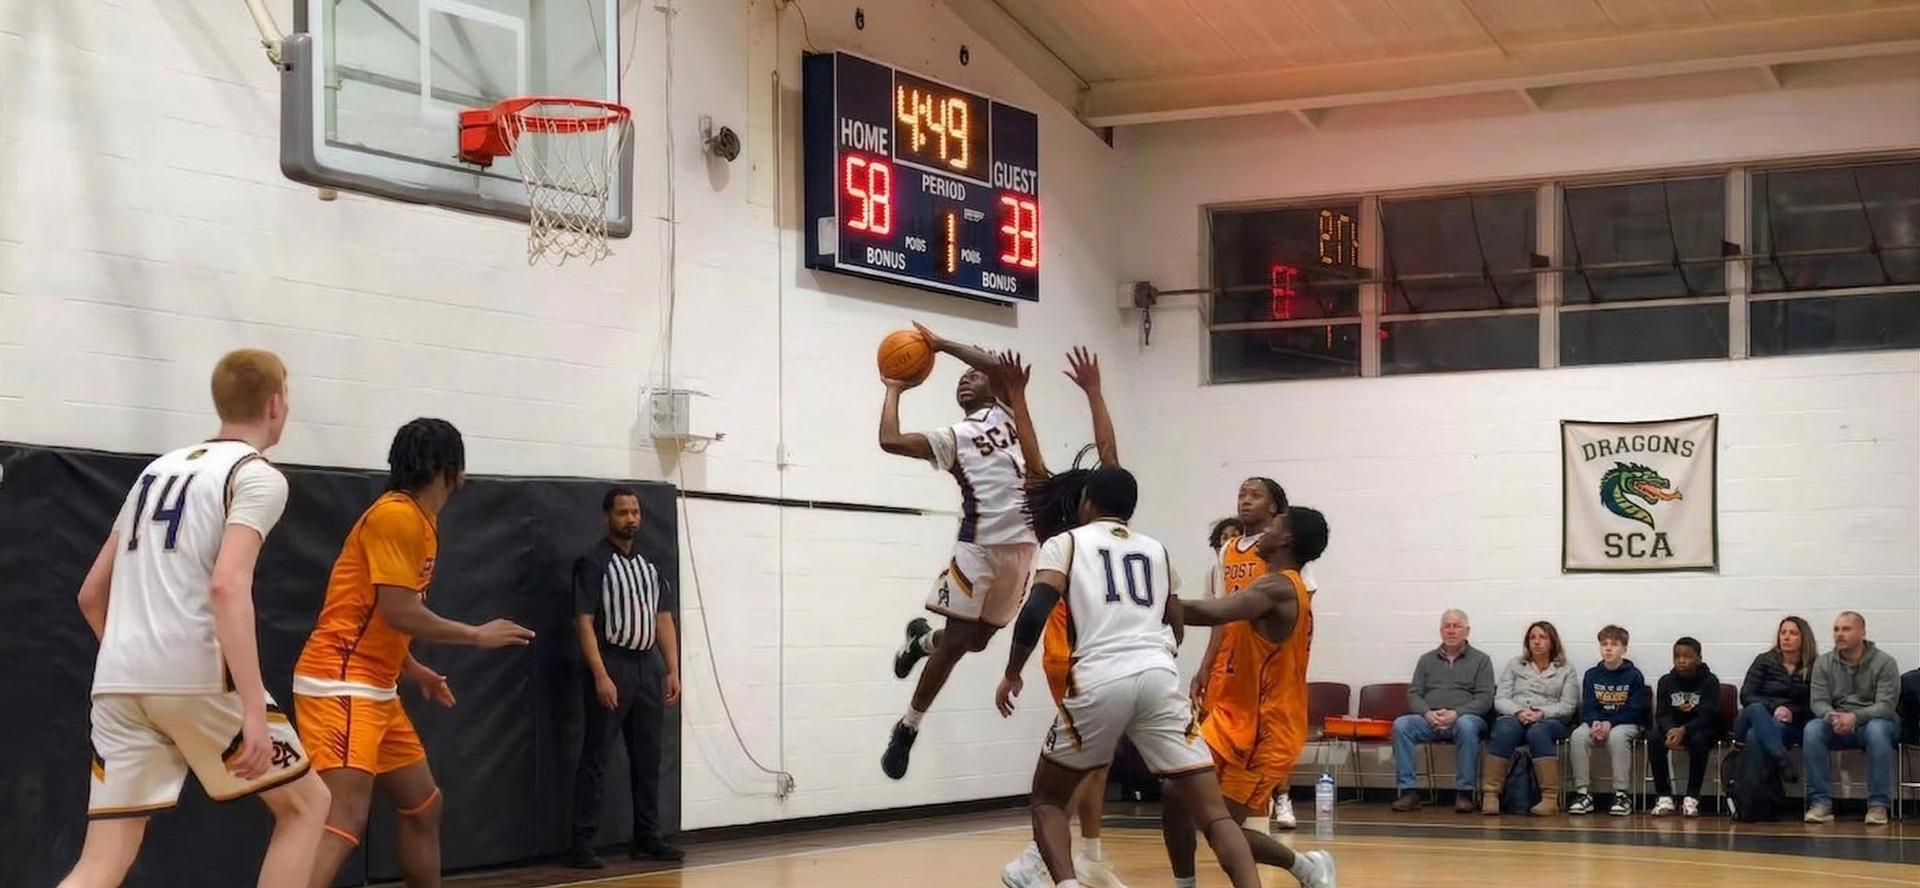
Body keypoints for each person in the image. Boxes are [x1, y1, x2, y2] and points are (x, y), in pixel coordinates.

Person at [55, 349, 332, 888]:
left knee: (101, 861)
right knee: (305, 807)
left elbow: (91, 593)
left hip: (116, 680)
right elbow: (228, 584)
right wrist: (254, 708)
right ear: (276, 404)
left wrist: (131, 661)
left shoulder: (153, 471)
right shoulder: (256, 476)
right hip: (196, 673)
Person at [993, 468, 1277, 888]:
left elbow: (1036, 610)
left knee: (1049, 801)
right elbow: (1175, 620)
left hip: (1100, 675)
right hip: (1159, 676)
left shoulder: (1066, 543)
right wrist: (1160, 657)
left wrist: (1012, 672)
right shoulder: (1157, 550)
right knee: (1214, 814)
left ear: (1087, 502)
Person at [294, 418, 536, 888]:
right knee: (342, 820)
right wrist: (475, 635)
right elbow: (399, 611)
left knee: (423, 804)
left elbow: (372, 611)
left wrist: (413, 668)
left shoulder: (419, 520)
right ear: (454, 470)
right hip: (340, 683)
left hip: (375, 685)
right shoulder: (397, 517)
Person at [980, 348, 1130, 888]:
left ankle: (1086, 853)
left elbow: (1042, 457)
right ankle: (1046, 857)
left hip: (1083, 649)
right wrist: (1092, 391)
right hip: (1076, 648)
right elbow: (1107, 458)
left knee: (1095, 757)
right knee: (1087, 757)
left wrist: (1021, 395)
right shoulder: (1072, 537)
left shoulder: (1061, 530)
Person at [880, 323, 1035, 780]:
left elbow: (1000, 366)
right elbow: (889, 440)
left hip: (1024, 548)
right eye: (959, 379)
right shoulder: (952, 437)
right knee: (956, 645)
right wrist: (894, 390)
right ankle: (908, 727)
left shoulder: (1010, 411)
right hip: (978, 548)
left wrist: (941, 345)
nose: (965, 378)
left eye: (973, 374)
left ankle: (920, 641)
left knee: (976, 642)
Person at [1162, 508, 1337, 888]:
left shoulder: (1280, 588)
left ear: (1285, 539)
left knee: (1221, 825)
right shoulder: (1267, 581)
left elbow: (1212, 611)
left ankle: (1306, 867)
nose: (1261, 534)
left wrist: (1151, 600)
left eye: (1272, 527)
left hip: (1266, 729)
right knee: (1174, 791)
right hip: (1231, 716)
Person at [565, 488, 683, 868]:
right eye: (623, 512)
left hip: (647, 665)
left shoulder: (651, 563)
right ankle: (582, 843)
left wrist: (673, 668)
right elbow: (582, 622)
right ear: (607, 517)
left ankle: (647, 837)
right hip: (612, 662)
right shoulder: (592, 562)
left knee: (649, 757)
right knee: (597, 757)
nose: (630, 518)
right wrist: (600, 674)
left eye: (635, 512)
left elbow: (663, 617)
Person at [1194, 478, 1312, 830]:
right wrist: (1205, 665)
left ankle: (1280, 800)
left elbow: (1293, 620)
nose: (1245, 501)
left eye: (1254, 495)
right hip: (1227, 672)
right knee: (1185, 788)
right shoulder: (1228, 552)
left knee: (1228, 816)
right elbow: (1219, 613)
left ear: (1276, 512)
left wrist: (1154, 601)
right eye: (1241, 493)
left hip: (1265, 678)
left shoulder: (1285, 573)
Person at [1389, 609, 1494, 814]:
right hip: (1431, 718)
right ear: (1440, 631)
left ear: (1467, 631)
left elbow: (1485, 699)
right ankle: (1408, 791)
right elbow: (1414, 694)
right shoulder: (1426, 660)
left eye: (1457, 626)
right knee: (1401, 725)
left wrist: (1457, 713)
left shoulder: (1482, 660)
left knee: (1466, 725)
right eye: (1447, 626)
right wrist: (1428, 713)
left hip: (1466, 719)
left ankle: (1465, 793)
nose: (1451, 631)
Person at [1803, 611, 1902, 826]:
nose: (1839, 634)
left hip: (1877, 722)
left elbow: (1886, 705)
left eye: (1846, 629)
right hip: (1838, 721)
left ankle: (1878, 805)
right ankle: (1820, 804)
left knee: (1877, 731)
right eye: (1836, 629)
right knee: (1812, 729)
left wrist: (1855, 717)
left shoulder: (1885, 662)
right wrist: (1832, 717)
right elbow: (1818, 702)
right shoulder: (1823, 663)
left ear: (1862, 632)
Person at [1483, 621, 1579, 816]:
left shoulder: (1566, 669)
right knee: (1505, 730)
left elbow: (1568, 706)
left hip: (1551, 719)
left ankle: (1550, 798)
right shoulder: (1515, 665)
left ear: (1553, 641)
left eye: (1542, 637)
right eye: (1533, 638)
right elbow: (1500, 699)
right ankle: (1491, 794)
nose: (1537, 642)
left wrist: (1541, 713)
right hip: (1517, 714)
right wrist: (1518, 711)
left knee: (1538, 731)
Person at [1567, 625, 1647, 817]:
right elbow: (1589, 706)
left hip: (1625, 723)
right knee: (1578, 736)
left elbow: (1635, 710)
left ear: (1624, 649)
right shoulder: (1592, 675)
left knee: (1617, 738)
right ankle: (1583, 793)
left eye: (1614, 644)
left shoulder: (1634, 675)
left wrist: (1610, 723)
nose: (1608, 649)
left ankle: (1621, 794)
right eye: (1604, 644)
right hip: (1598, 722)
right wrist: (1595, 722)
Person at [1732, 616, 1815, 774]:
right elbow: (1746, 695)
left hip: (1790, 724)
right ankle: (1781, 758)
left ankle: (1757, 793)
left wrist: (1791, 711)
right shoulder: (1764, 661)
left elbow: (1815, 702)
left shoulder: (1814, 666)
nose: (1786, 637)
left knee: (1755, 736)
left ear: (1804, 638)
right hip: (1752, 718)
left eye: (1793, 633)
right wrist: (1775, 708)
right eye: (1783, 632)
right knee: (1755, 708)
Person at [1649, 637, 1721, 817]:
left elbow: (1708, 715)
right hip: (1674, 728)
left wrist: (1684, 730)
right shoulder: (1666, 681)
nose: (1681, 660)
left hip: (1700, 728)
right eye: (1677, 656)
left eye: (1687, 656)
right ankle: (1664, 796)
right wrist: (1671, 730)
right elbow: (1662, 713)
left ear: (1698, 658)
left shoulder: (1710, 681)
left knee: (1699, 740)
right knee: (1654, 738)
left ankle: (1692, 796)